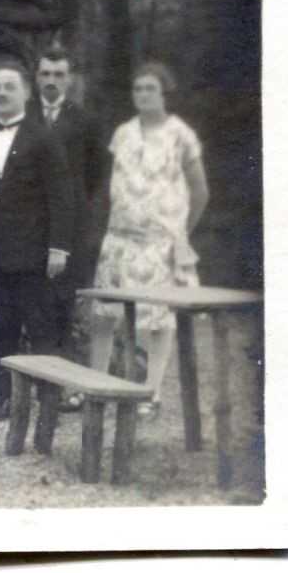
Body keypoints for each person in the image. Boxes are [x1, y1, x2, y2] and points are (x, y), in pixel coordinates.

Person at [88, 63, 209, 418]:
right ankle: (97, 387)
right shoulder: (123, 133)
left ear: (164, 93)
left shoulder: (181, 134)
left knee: (158, 321)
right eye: (137, 88)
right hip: (120, 239)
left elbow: (200, 190)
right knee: (103, 315)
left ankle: (151, 393)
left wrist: (181, 231)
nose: (142, 94)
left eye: (150, 89)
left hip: (160, 242)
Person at [0, 60, 74, 421]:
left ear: (26, 93)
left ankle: (49, 400)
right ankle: (1, 397)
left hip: (33, 253)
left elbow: (61, 195)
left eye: (9, 87)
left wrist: (59, 246)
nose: (2, 94)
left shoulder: (43, 136)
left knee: (40, 328)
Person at [34, 45, 111, 394]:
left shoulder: (85, 121)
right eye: (46, 74)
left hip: (70, 232)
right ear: (36, 77)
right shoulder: (23, 116)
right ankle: (32, 380)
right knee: (30, 305)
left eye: (59, 74)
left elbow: (95, 176)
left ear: (70, 78)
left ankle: (60, 387)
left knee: (62, 306)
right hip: (28, 229)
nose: (51, 81)